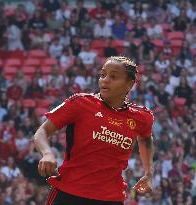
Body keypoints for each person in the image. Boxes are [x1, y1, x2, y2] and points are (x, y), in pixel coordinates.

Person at [33, 56, 154, 205]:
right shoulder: (79, 103)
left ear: (129, 84)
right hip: (69, 194)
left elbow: (145, 139)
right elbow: (42, 131)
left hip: (111, 198)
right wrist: (47, 153)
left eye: (113, 76)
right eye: (103, 75)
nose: (105, 80)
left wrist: (148, 172)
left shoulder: (142, 118)